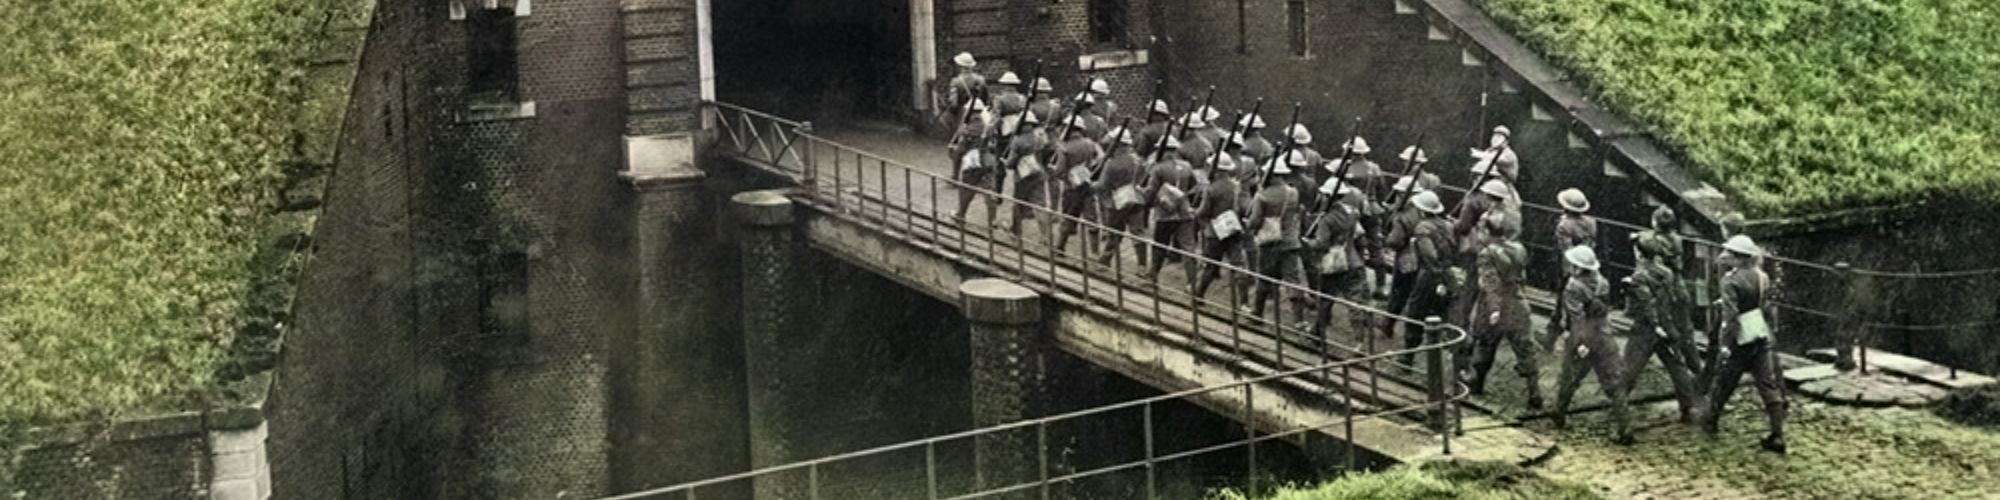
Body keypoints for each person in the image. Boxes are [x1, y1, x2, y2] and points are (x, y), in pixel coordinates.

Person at [1700, 235, 1788, 454]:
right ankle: (1777, 434)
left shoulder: (1729, 281)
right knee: (1768, 384)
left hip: (1740, 337)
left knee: (1726, 380)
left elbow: (1731, 317)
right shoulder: (1762, 276)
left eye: (1731, 253)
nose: (1727, 256)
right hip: (1758, 332)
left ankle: (1711, 420)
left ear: (1738, 257)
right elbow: (1762, 305)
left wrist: (1725, 344)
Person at [1550, 246, 1634, 445]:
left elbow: (1577, 318)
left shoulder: (1573, 287)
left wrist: (1580, 342)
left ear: (1578, 267)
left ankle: (1559, 413)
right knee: (1615, 383)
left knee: (1570, 377)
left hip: (1585, 338)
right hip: (1604, 336)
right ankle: (1625, 427)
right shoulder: (1602, 282)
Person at [1623, 227, 1705, 424]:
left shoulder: (1639, 276)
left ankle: (1619, 402)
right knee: (1677, 367)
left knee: (1630, 366)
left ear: (1639, 253)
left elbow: (1647, 303)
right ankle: (1688, 406)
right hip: (1668, 327)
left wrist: (1654, 323)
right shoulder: (1666, 273)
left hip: (1646, 329)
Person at [1463, 209, 1543, 409]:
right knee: (1525, 348)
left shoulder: (1486, 254)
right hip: (1517, 302)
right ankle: (1535, 392)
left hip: (1495, 307)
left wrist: (1494, 309)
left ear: (1487, 231)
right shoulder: (1519, 248)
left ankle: (1476, 383)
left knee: (1485, 344)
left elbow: (1490, 283)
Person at [1242, 161, 1310, 328]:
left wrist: (1248, 224)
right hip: (1290, 242)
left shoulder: (1262, 196)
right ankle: (1299, 320)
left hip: (1269, 242)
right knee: (1293, 281)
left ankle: (1257, 314)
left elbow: (1255, 220)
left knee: (1264, 279)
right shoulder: (1293, 193)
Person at [1305, 179, 1368, 341]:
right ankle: (1359, 341)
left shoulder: (1326, 219)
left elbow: (1321, 244)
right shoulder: (1353, 213)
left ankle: (1318, 333)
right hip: (1352, 260)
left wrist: (1308, 243)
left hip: (1333, 264)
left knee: (1325, 299)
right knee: (1354, 302)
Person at [1399, 190, 1455, 366]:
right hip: (1448, 274)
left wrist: (1436, 276)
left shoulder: (1423, 228)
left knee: (1415, 313)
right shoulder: (1448, 225)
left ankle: (1407, 358)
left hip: (1429, 276)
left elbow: (1429, 255)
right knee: (1442, 315)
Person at [1545, 188, 1599, 350]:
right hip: (1587, 265)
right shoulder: (1591, 222)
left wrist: (1568, 274)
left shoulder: (1564, 226)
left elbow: (1566, 251)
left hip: (1570, 268)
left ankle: (1555, 339)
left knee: (1563, 303)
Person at [1141, 136, 1196, 281]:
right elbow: (1194, 186)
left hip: (1164, 214)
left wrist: (1144, 196)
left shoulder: (1158, 168)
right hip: (1185, 212)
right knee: (1188, 249)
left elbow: (1152, 190)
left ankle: (1153, 275)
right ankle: (1192, 282)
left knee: (1160, 245)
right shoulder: (1186, 166)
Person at [1192, 154, 1247, 299]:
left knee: (1210, 266)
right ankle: (1244, 302)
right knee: (1238, 266)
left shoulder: (1211, 189)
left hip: (1215, 231)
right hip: (1233, 228)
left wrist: (1194, 212)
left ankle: (1199, 295)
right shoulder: (1235, 186)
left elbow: (1204, 211)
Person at [1380, 175, 1429, 338]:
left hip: (1406, 256)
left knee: (1399, 291)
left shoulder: (1402, 216)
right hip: (1422, 255)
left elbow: (1395, 240)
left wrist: (1386, 240)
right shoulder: (1421, 210)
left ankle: (1389, 323)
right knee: (1415, 291)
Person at [1050, 116, 1105, 255]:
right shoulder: (1090, 143)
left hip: (1071, 188)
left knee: (1068, 217)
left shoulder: (1065, 147)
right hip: (1087, 184)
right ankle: (1095, 252)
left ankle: (1060, 247)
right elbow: (1100, 157)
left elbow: (1060, 169)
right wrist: (1089, 170)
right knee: (1092, 220)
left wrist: (1055, 172)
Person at [1094, 127, 1147, 266]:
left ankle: (1105, 260)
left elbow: (1103, 185)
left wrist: (1091, 185)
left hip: (1117, 201)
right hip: (1137, 198)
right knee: (1138, 234)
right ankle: (1142, 265)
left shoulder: (1112, 163)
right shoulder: (1138, 160)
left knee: (1115, 233)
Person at [1001, 112, 1051, 238]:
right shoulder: (1039, 137)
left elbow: (1011, 163)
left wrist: (1006, 162)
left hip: (1022, 177)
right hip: (1038, 173)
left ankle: (1016, 231)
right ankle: (1045, 236)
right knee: (1040, 205)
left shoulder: (1018, 140)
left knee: (1018, 204)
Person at [950, 98, 999, 224]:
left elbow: (961, 149)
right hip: (988, 160)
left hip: (974, 162)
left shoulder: (967, 129)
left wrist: (956, 155)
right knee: (990, 191)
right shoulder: (988, 125)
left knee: (966, 189)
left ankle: (961, 215)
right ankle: (992, 220)